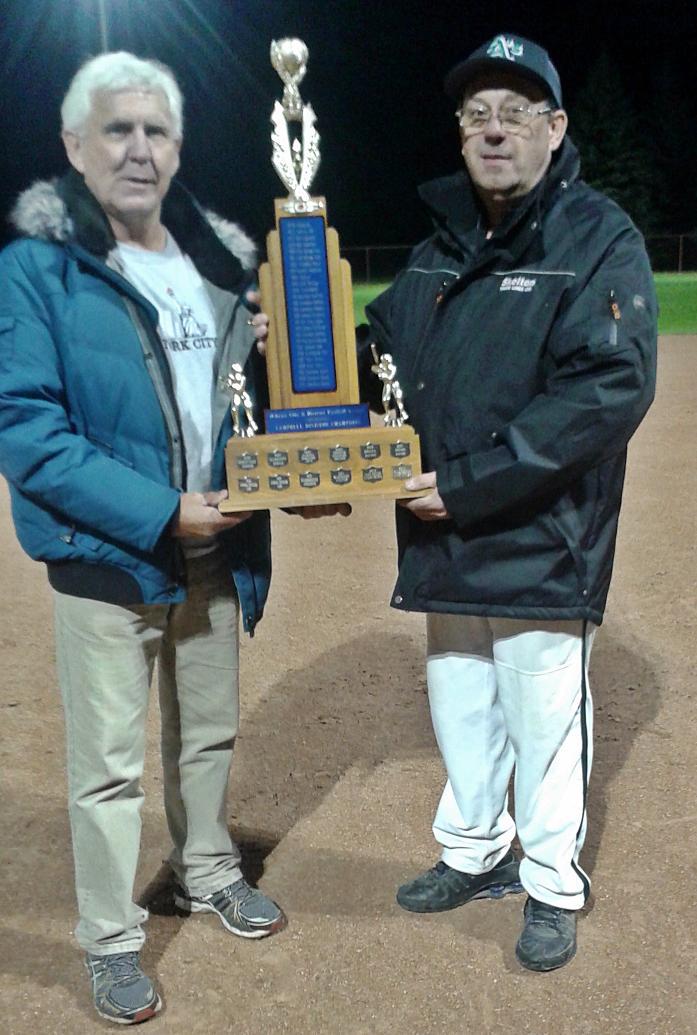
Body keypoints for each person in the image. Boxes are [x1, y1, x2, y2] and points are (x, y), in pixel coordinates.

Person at [0, 51, 291, 1025]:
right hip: (111, 556)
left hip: (218, 551)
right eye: (115, 129)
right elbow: (29, 432)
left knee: (208, 734)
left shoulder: (214, 265)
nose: (137, 147)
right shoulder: (37, 270)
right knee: (109, 765)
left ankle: (206, 868)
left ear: (177, 149)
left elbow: (247, 410)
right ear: (75, 147)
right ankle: (111, 940)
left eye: (154, 130)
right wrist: (162, 509)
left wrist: (298, 458)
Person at [357, 33, 657, 971]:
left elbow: (608, 387)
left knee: (541, 714)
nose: (494, 131)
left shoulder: (597, 234)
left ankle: (550, 881)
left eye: (516, 114)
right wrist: (294, 361)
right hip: (443, 533)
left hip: (538, 534)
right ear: (458, 134)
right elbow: (382, 364)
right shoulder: (436, 246)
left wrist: (473, 483)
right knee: (460, 702)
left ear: (554, 128)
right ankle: (474, 848)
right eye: (476, 115)